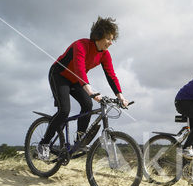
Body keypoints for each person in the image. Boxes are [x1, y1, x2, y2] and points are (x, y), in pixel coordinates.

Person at [37, 17, 129, 159]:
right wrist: (90, 91)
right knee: (64, 111)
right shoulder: (80, 45)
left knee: (87, 105)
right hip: (59, 75)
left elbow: (111, 75)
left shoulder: (105, 54)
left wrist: (120, 96)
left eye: (112, 39)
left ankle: (79, 141)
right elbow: (79, 70)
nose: (111, 42)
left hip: (76, 80)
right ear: (99, 36)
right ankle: (44, 144)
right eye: (109, 39)